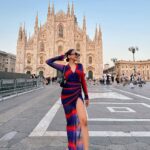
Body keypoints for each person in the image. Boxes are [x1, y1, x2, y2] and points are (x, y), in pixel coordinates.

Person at [46, 49, 90, 150]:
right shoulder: (63, 67)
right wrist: (60, 57)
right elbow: (48, 62)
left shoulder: (80, 66)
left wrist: (86, 96)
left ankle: (83, 147)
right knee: (70, 122)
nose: (77, 56)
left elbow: (83, 81)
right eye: (76, 54)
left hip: (78, 94)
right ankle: (72, 147)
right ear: (69, 56)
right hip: (67, 96)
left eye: (78, 54)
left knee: (83, 120)